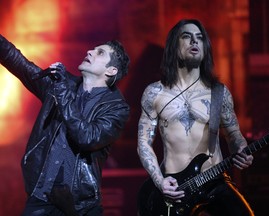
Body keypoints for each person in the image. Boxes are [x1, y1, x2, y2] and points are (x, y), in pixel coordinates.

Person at [0, 34, 130, 216]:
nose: (90, 51)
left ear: (111, 71)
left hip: (80, 206)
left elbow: (87, 138)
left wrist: (61, 89)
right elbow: (20, 64)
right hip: (41, 198)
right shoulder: (61, 85)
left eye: (100, 53)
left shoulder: (116, 108)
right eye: (93, 49)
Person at [137, 19, 254, 216]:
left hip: (215, 180)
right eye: (187, 36)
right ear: (174, 46)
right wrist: (160, 181)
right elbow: (143, 142)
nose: (194, 42)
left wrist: (241, 148)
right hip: (174, 185)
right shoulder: (155, 92)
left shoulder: (218, 93)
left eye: (199, 38)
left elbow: (234, 134)